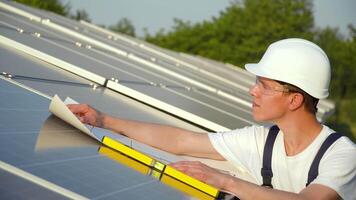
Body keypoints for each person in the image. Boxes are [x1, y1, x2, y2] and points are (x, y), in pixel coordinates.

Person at [68, 38, 355, 200]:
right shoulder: (261, 141)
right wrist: (103, 119)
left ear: (295, 99)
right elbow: (182, 141)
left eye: (264, 86)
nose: (252, 90)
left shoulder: (342, 155)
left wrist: (226, 182)